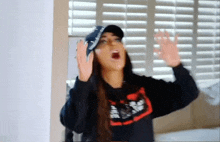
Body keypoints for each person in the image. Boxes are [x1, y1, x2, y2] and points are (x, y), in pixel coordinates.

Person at [60, 25, 199, 142]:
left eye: (117, 39)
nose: (113, 43)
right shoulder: (88, 94)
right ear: (93, 56)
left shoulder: (142, 87)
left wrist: (177, 66)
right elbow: (73, 122)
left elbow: (188, 93)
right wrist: (83, 81)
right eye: (103, 41)